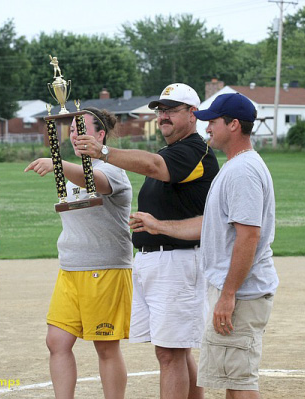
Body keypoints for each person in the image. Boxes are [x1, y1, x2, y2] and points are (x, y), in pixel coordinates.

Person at [130, 93, 279, 399]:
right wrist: (158, 226)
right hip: (236, 291)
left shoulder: (243, 171)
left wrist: (228, 295)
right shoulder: (235, 167)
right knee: (232, 378)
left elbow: (248, 236)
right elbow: (210, 227)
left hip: (242, 293)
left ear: (234, 125)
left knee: (240, 382)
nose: (206, 127)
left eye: (213, 121)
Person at [77, 84, 220, 399]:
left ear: (193, 114)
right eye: (161, 109)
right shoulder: (172, 151)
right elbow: (154, 164)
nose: (163, 115)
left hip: (178, 260)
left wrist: (103, 151)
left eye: (172, 109)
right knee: (175, 351)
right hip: (157, 260)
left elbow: (153, 166)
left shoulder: (194, 149)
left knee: (170, 353)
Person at [25, 107, 133, 399]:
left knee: (106, 347)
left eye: (81, 129)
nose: (74, 135)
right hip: (70, 269)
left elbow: (93, 180)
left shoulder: (113, 170)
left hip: (106, 269)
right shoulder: (72, 173)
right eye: (71, 130)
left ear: (100, 135)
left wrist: (57, 163)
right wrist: (61, 166)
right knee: (56, 341)